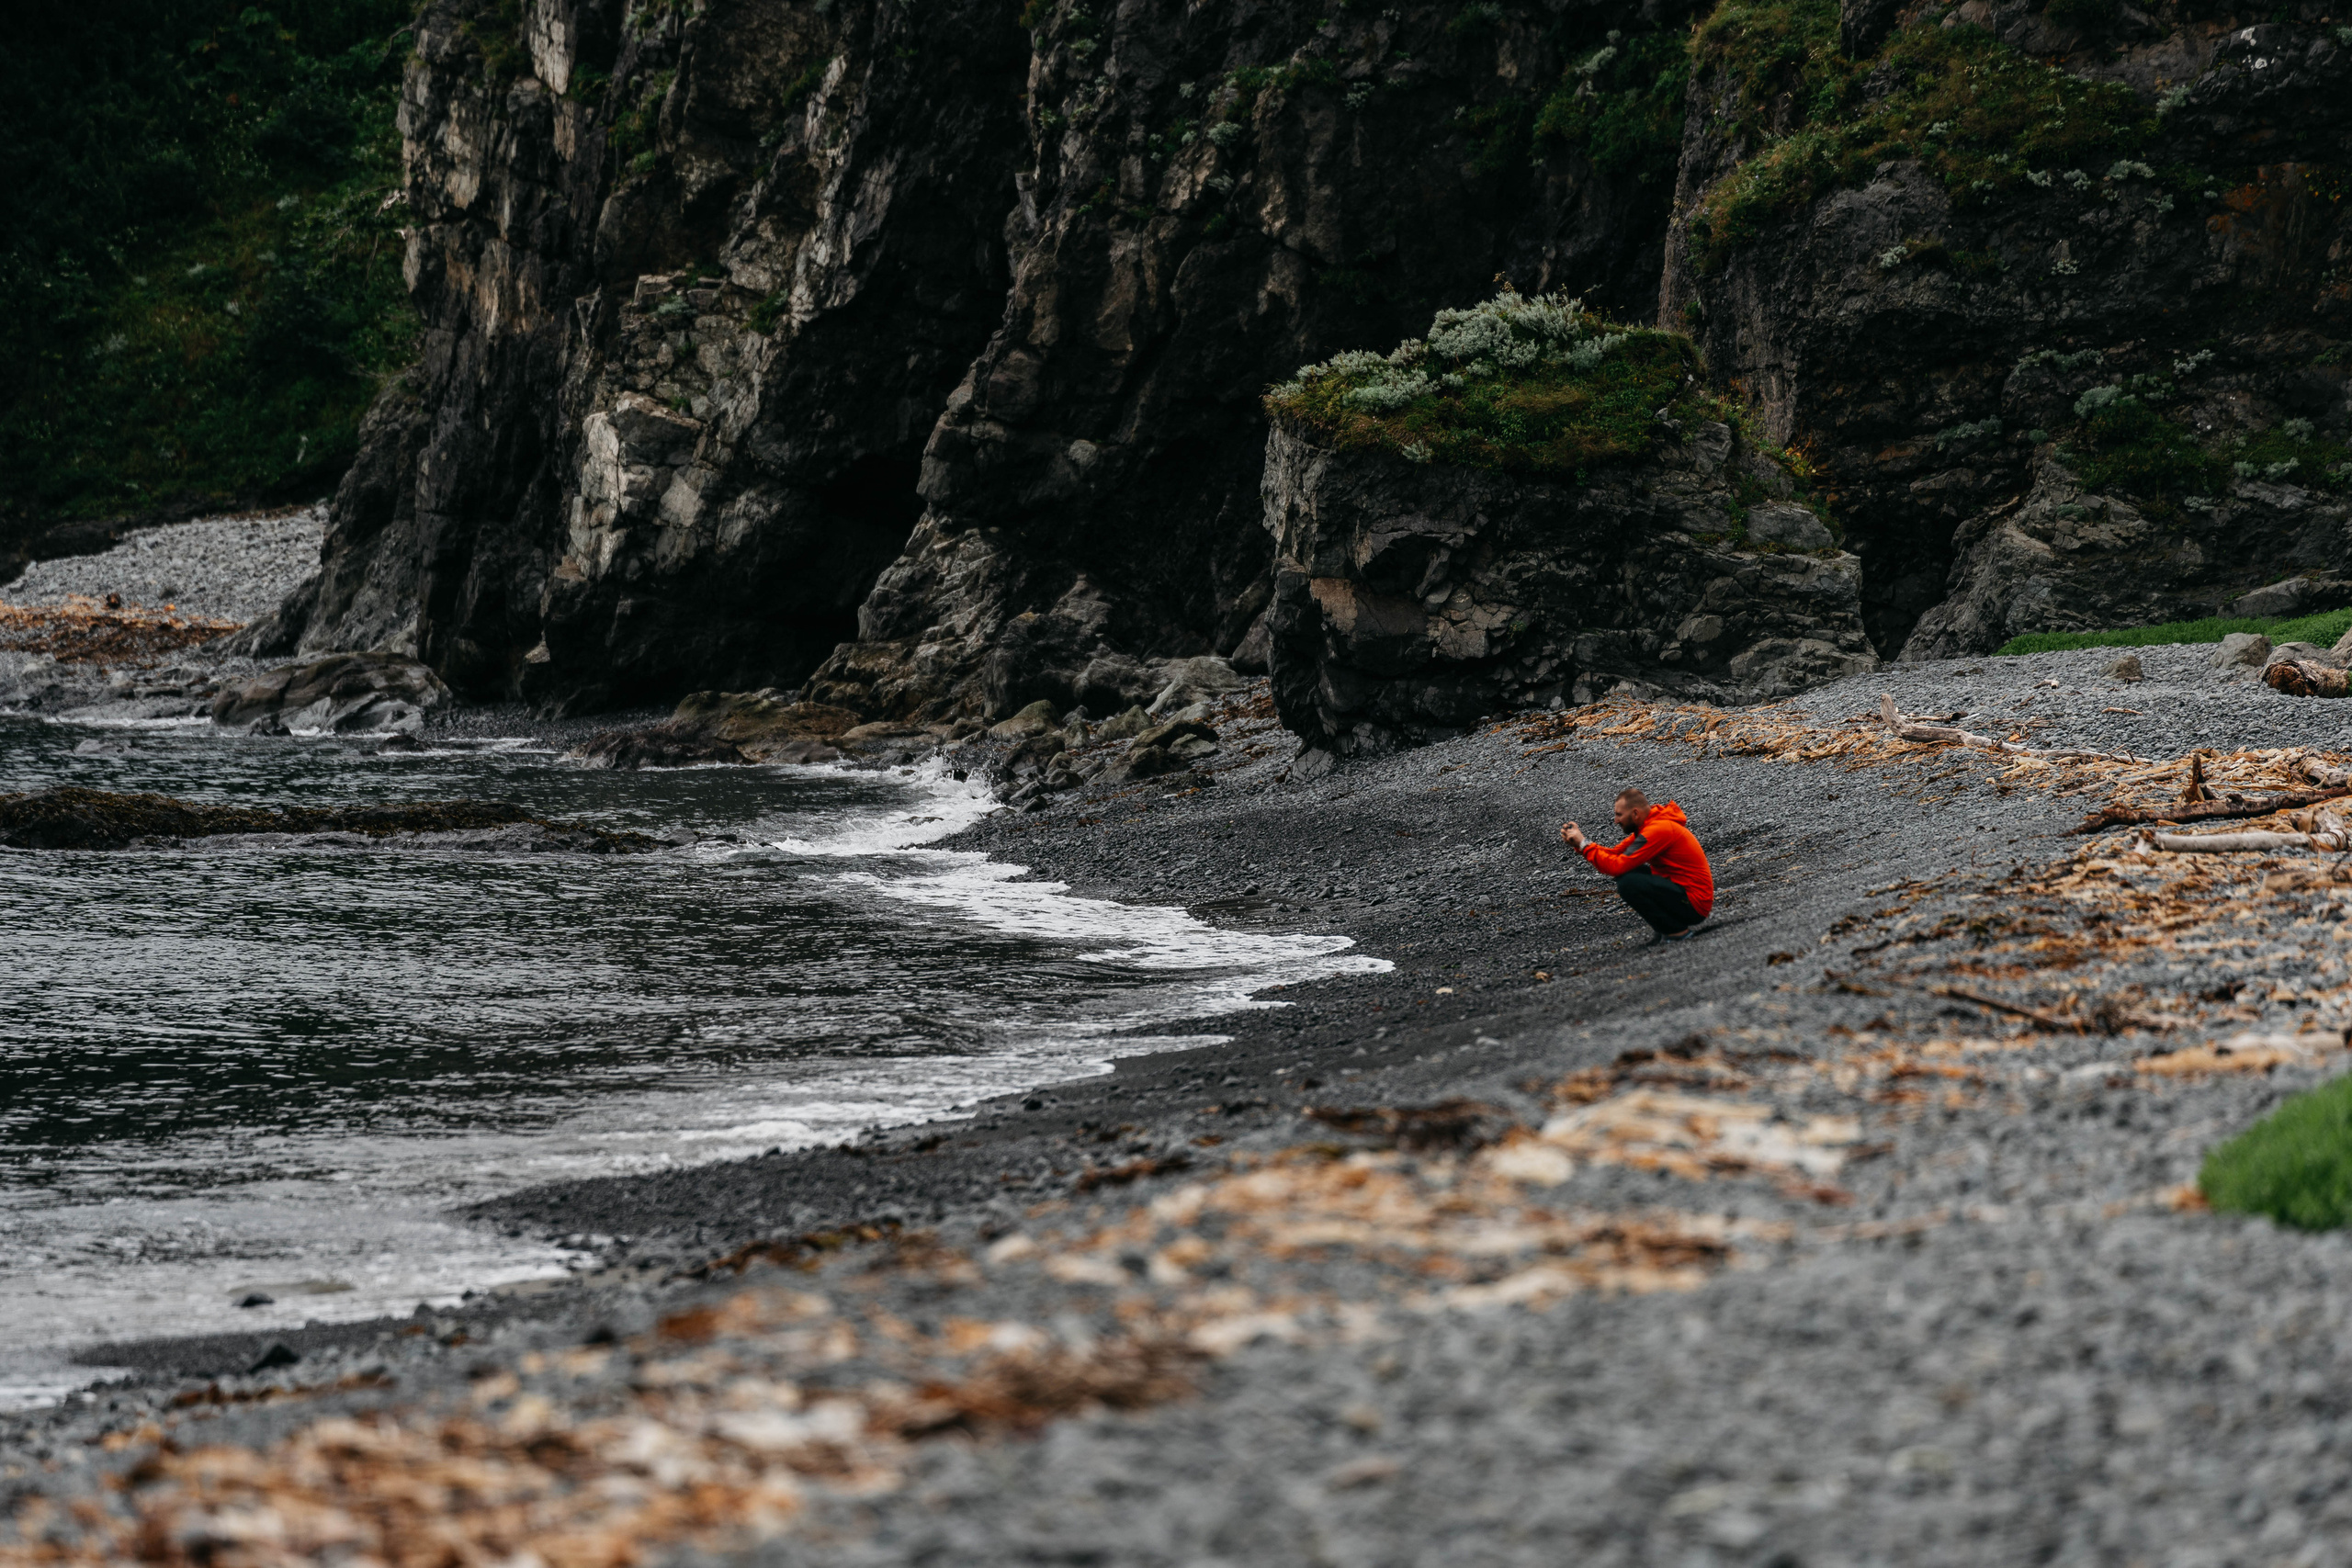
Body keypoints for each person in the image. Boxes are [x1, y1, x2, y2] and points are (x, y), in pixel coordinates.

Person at [1560, 788, 1714, 942]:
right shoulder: (1648, 827)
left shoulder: (1658, 830)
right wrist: (1581, 845)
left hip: (1694, 904)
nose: (1616, 821)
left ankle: (1676, 932)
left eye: (1619, 815)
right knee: (1631, 873)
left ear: (1635, 813)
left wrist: (1584, 845)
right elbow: (1615, 855)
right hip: (1682, 895)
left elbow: (1616, 866)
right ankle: (1667, 928)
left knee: (1629, 883)